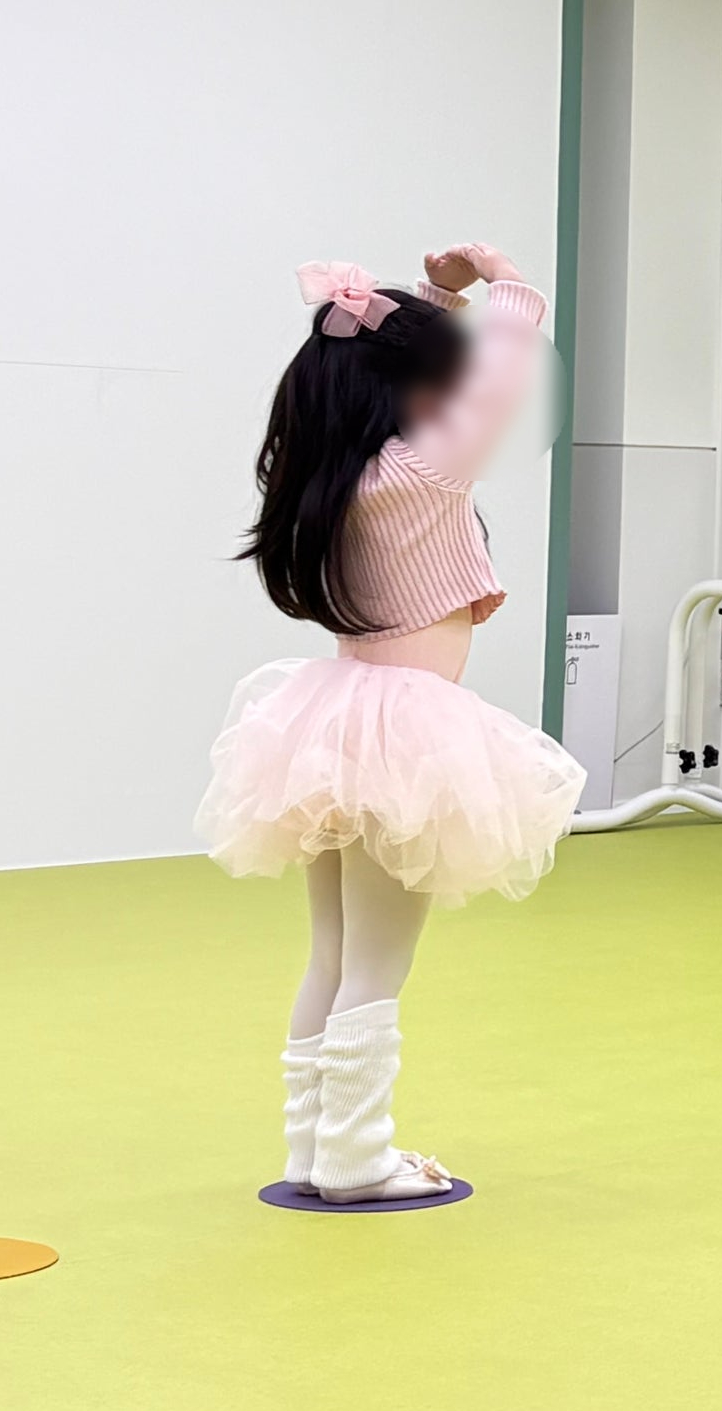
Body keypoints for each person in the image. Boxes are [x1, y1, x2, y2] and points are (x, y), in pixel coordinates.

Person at [197, 248, 585, 1201]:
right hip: (405, 739)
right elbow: (499, 379)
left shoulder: (335, 477)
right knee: (378, 961)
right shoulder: (422, 472)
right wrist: (503, 282)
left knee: (333, 954)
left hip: (334, 726)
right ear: (411, 389)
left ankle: (313, 1147)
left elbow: (432, 369)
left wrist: (438, 301)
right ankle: (357, 1158)